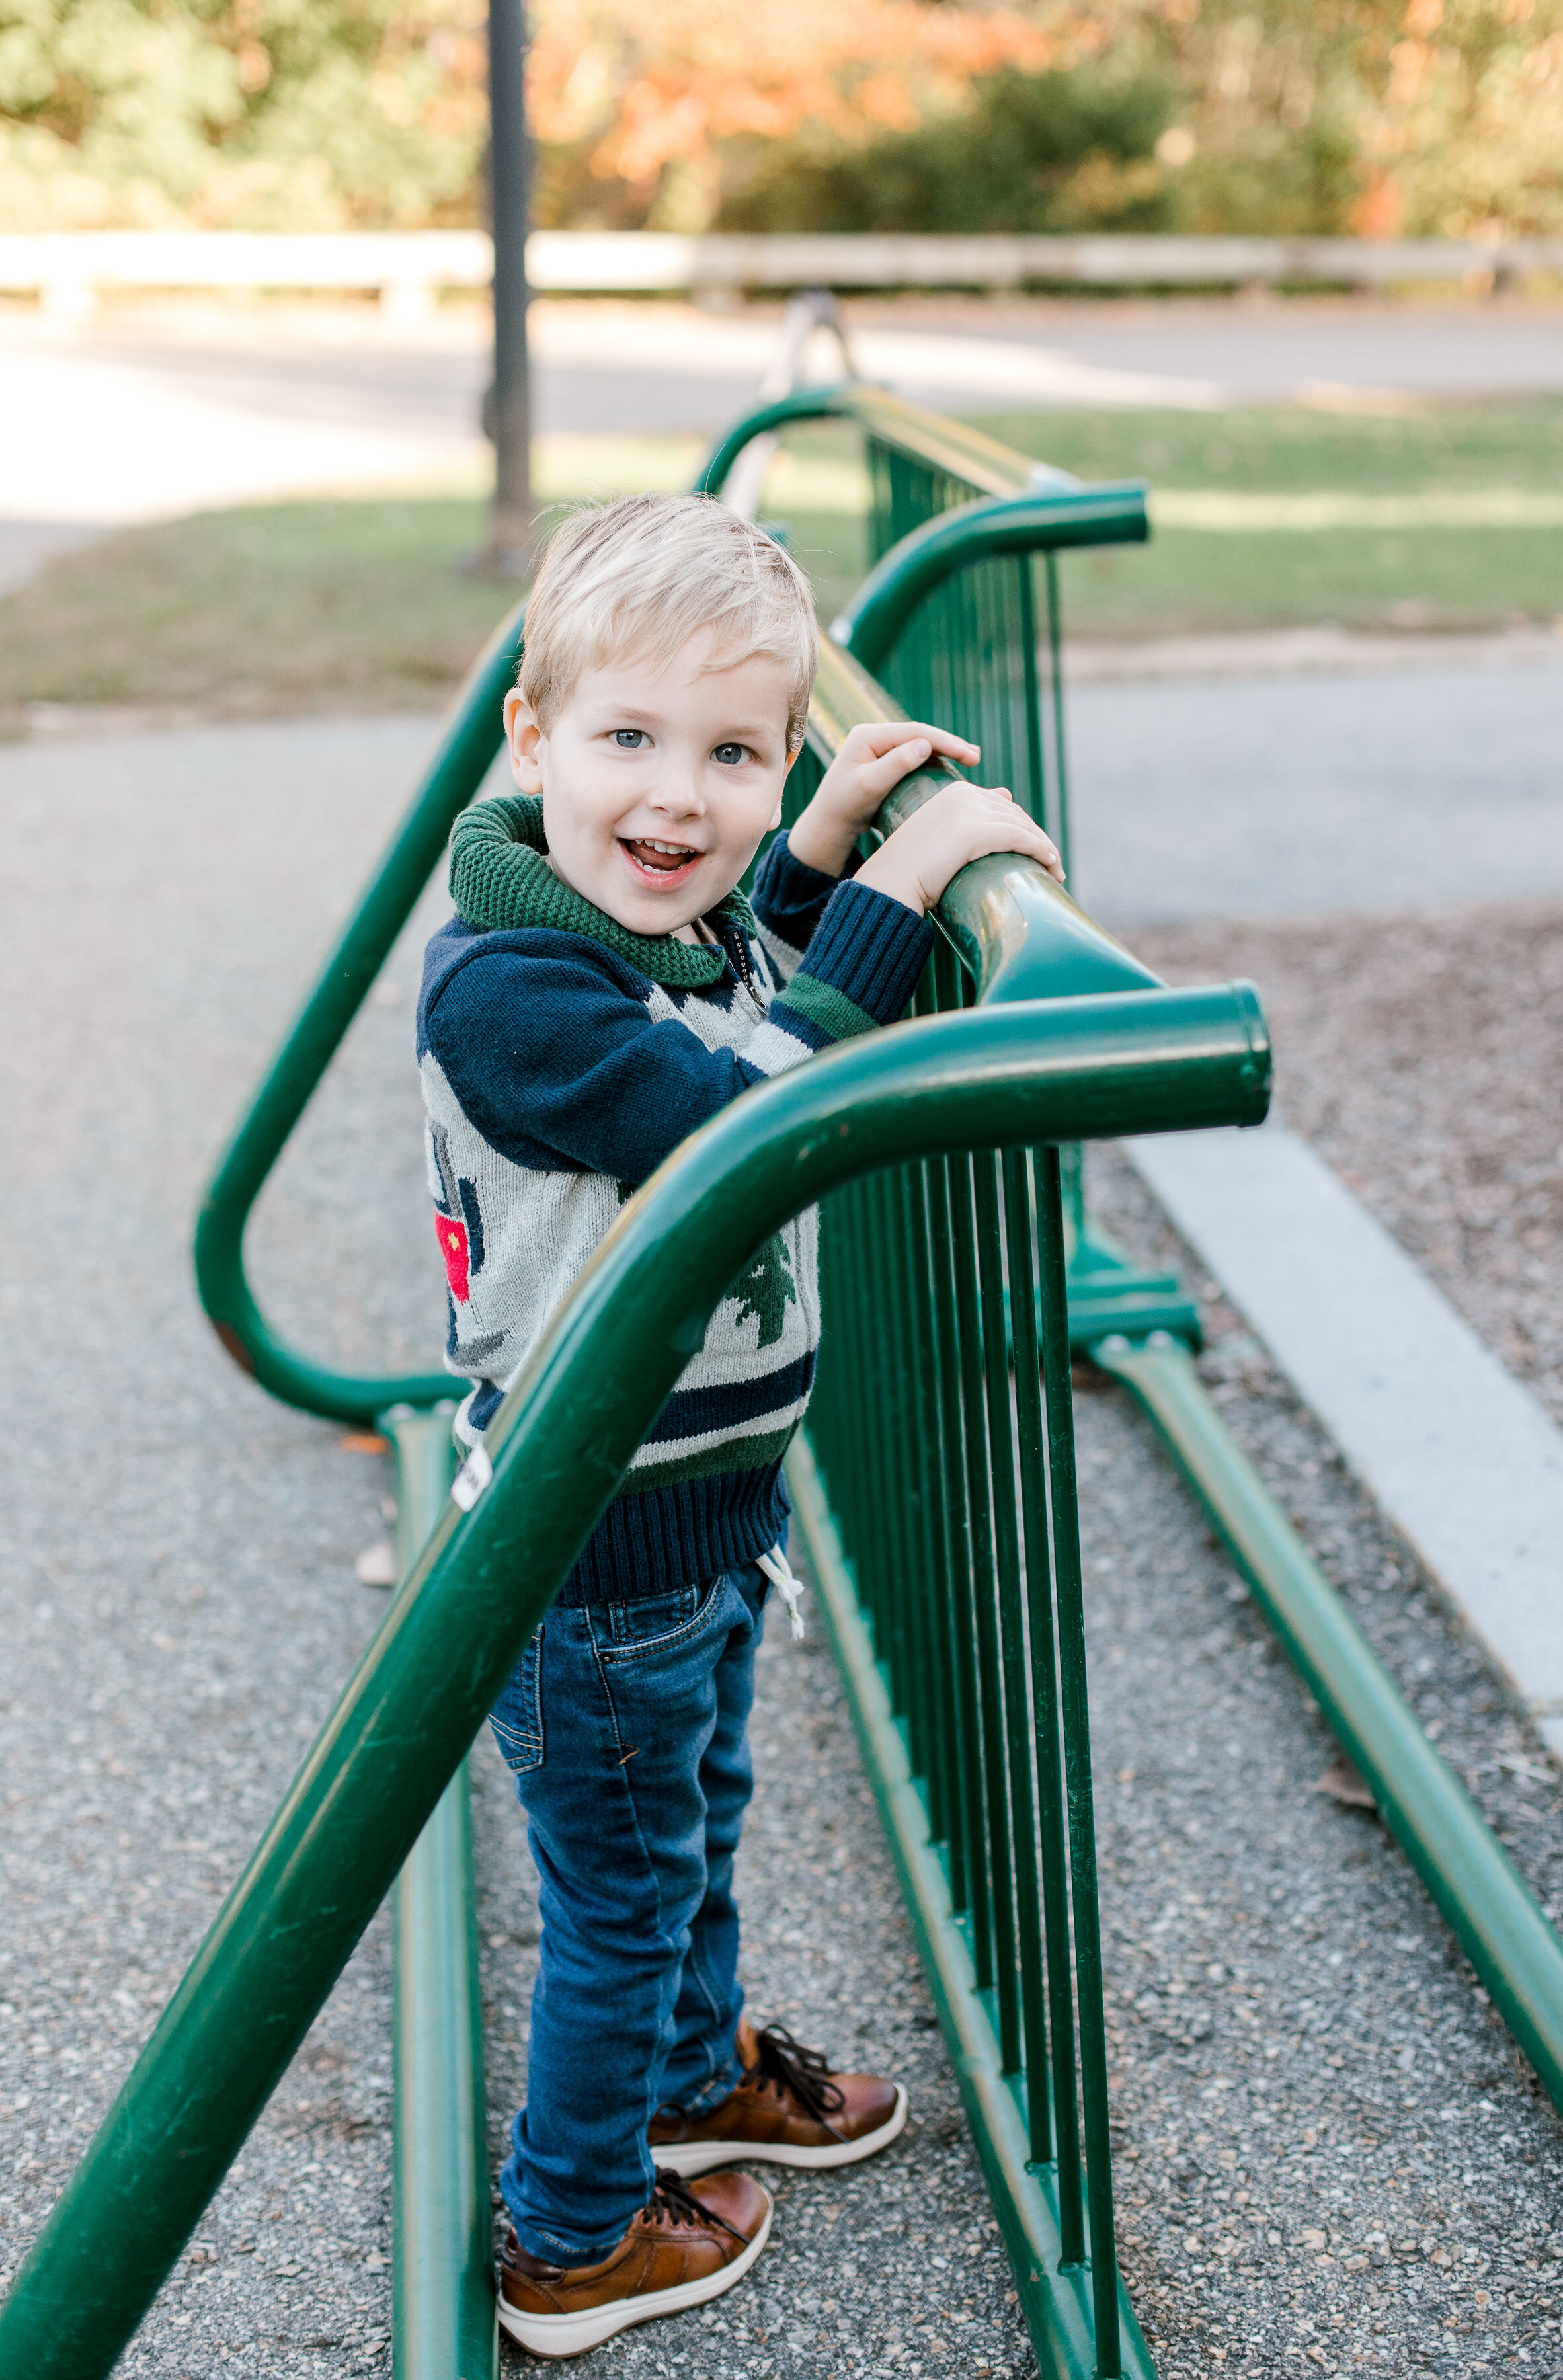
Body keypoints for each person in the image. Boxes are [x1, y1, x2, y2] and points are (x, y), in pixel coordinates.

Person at [415, 492, 1064, 2359]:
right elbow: (723, 1122)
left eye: (735, 754)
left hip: (688, 1524)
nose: (678, 801)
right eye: (627, 740)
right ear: (528, 740)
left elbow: (726, 997)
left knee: (689, 1825)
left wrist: (827, 849)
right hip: (592, 1548)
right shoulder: (515, 986)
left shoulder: (622, 926)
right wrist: (898, 900)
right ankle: (573, 2233)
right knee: (623, 1899)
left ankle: (688, 2077)